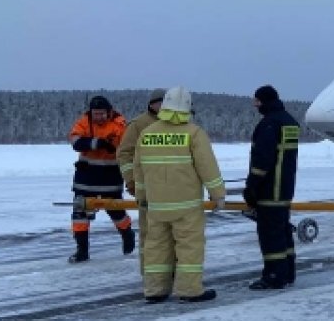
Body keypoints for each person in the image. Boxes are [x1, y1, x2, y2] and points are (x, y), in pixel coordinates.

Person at [133, 86, 227, 303]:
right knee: (189, 247)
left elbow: (139, 170)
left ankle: (155, 290)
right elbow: (208, 167)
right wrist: (217, 194)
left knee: (156, 247)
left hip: (156, 206)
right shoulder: (193, 133)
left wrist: (142, 196)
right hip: (187, 206)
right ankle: (189, 290)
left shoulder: (147, 134)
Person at [244, 85, 301, 290]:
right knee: (283, 231)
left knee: (270, 234)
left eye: (257, 101)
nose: (255, 105)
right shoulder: (289, 122)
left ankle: (274, 275)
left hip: (270, 190)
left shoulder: (269, 125)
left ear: (265, 101)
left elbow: (262, 160)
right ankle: (287, 272)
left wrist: (251, 187)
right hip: (285, 188)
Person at [67, 95, 134, 263]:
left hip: (110, 177)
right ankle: (82, 251)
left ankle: (127, 234)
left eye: (102, 114)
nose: (98, 117)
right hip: (86, 176)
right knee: (79, 213)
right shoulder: (84, 121)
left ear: (109, 112)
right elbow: (76, 141)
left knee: (116, 211)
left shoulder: (120, 125)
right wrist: (97, 143)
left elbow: (128, 147)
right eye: (95, 114)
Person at [116, 88, 166, 271]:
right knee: (151, 234)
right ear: (151, 104)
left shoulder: (178, 123)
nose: (162, 106)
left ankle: (172, 274)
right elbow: (125, 154)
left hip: (175, 190)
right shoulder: (138, 125)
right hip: (148, 189)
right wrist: (130, 180)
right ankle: (151, 275)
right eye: (159, 102)